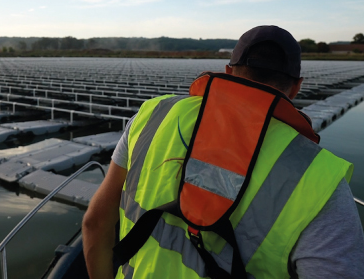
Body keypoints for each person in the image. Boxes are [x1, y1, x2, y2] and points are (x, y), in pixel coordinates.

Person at [82, 25, 364, 279]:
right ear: (296, 88)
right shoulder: (318, 177)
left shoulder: (153, 114)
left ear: (228, 72)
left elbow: (95, 223)